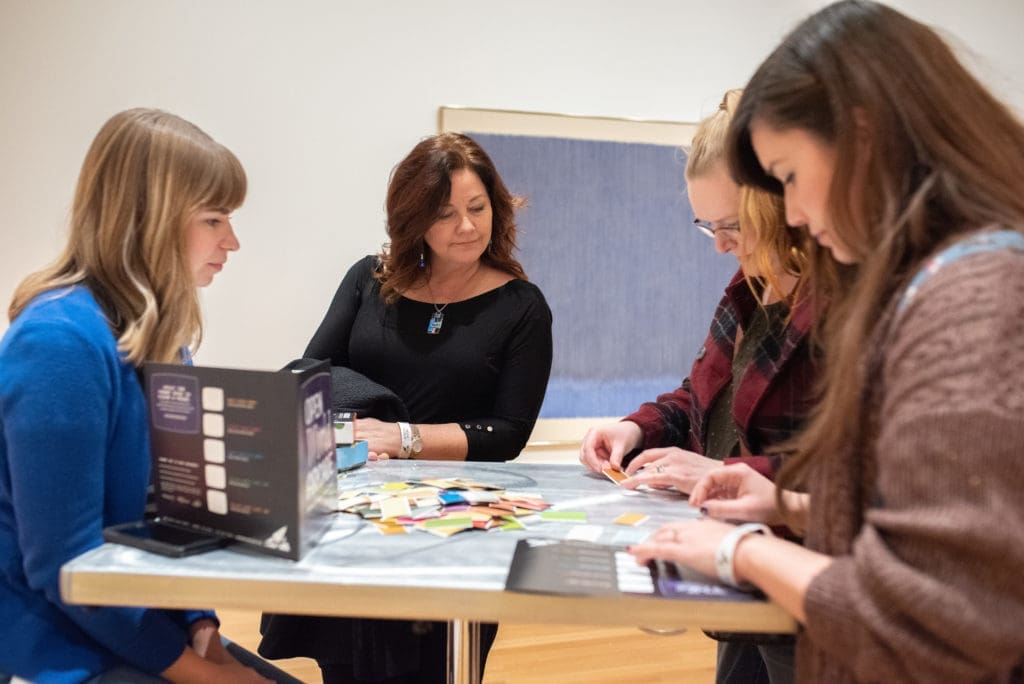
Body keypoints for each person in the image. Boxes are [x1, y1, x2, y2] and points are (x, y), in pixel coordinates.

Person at [628, 2, 1024, 682]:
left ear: (863, 137)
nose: (794, 216)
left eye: (787, 177)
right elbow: (909, 522)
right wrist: (782, 504)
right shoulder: (938, 285)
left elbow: (936, 620)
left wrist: (739, 553)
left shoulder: (972, 302)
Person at [259, 132, 553, 682]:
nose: (467, 227)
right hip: (353, 512)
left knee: (434, 667)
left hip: (452, 522)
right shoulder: (369, 280)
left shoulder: (522, 307)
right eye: (445, 214)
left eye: (477, 208)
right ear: (413, 216)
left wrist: (403, 436)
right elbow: (310, 375)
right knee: (344, 666)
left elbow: (507, 432)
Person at [0, 109, 275, 683]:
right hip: (54, 646)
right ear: (150, 219)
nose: (233, 241)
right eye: (214, 218)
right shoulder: (59, 342)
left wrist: (205, 628)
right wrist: (207, 675)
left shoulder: (163, 342)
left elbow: (172, 513)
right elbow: (65, 566)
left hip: (135, 622)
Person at [579, 90, 832, 684]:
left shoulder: (840, 306)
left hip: (805, 580)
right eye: (706, 226)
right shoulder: (748, 287)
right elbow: (699, 396)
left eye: (732, 225)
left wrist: (722, 471)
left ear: (778, 203)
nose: (720, 244)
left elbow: (854, 469)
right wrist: (634, 427)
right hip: (736, 571)